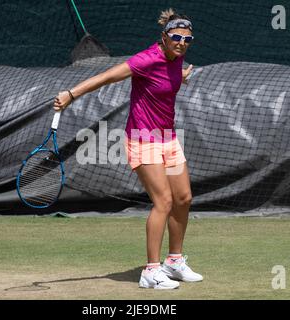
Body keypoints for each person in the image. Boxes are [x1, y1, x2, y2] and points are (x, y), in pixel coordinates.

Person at [54, 8, 203, 290]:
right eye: (176, 37)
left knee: (183, 198)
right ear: (164, 37)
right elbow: (107, 77)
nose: (182, 43)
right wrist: (71, 94)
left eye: (187, 39)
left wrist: (178, 80)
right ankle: (150, 271)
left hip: (168, 139)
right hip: (142, 140)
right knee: (164, 202)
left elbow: (161, 89)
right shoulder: (146, 59)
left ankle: (174, 261)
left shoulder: (177, 60)